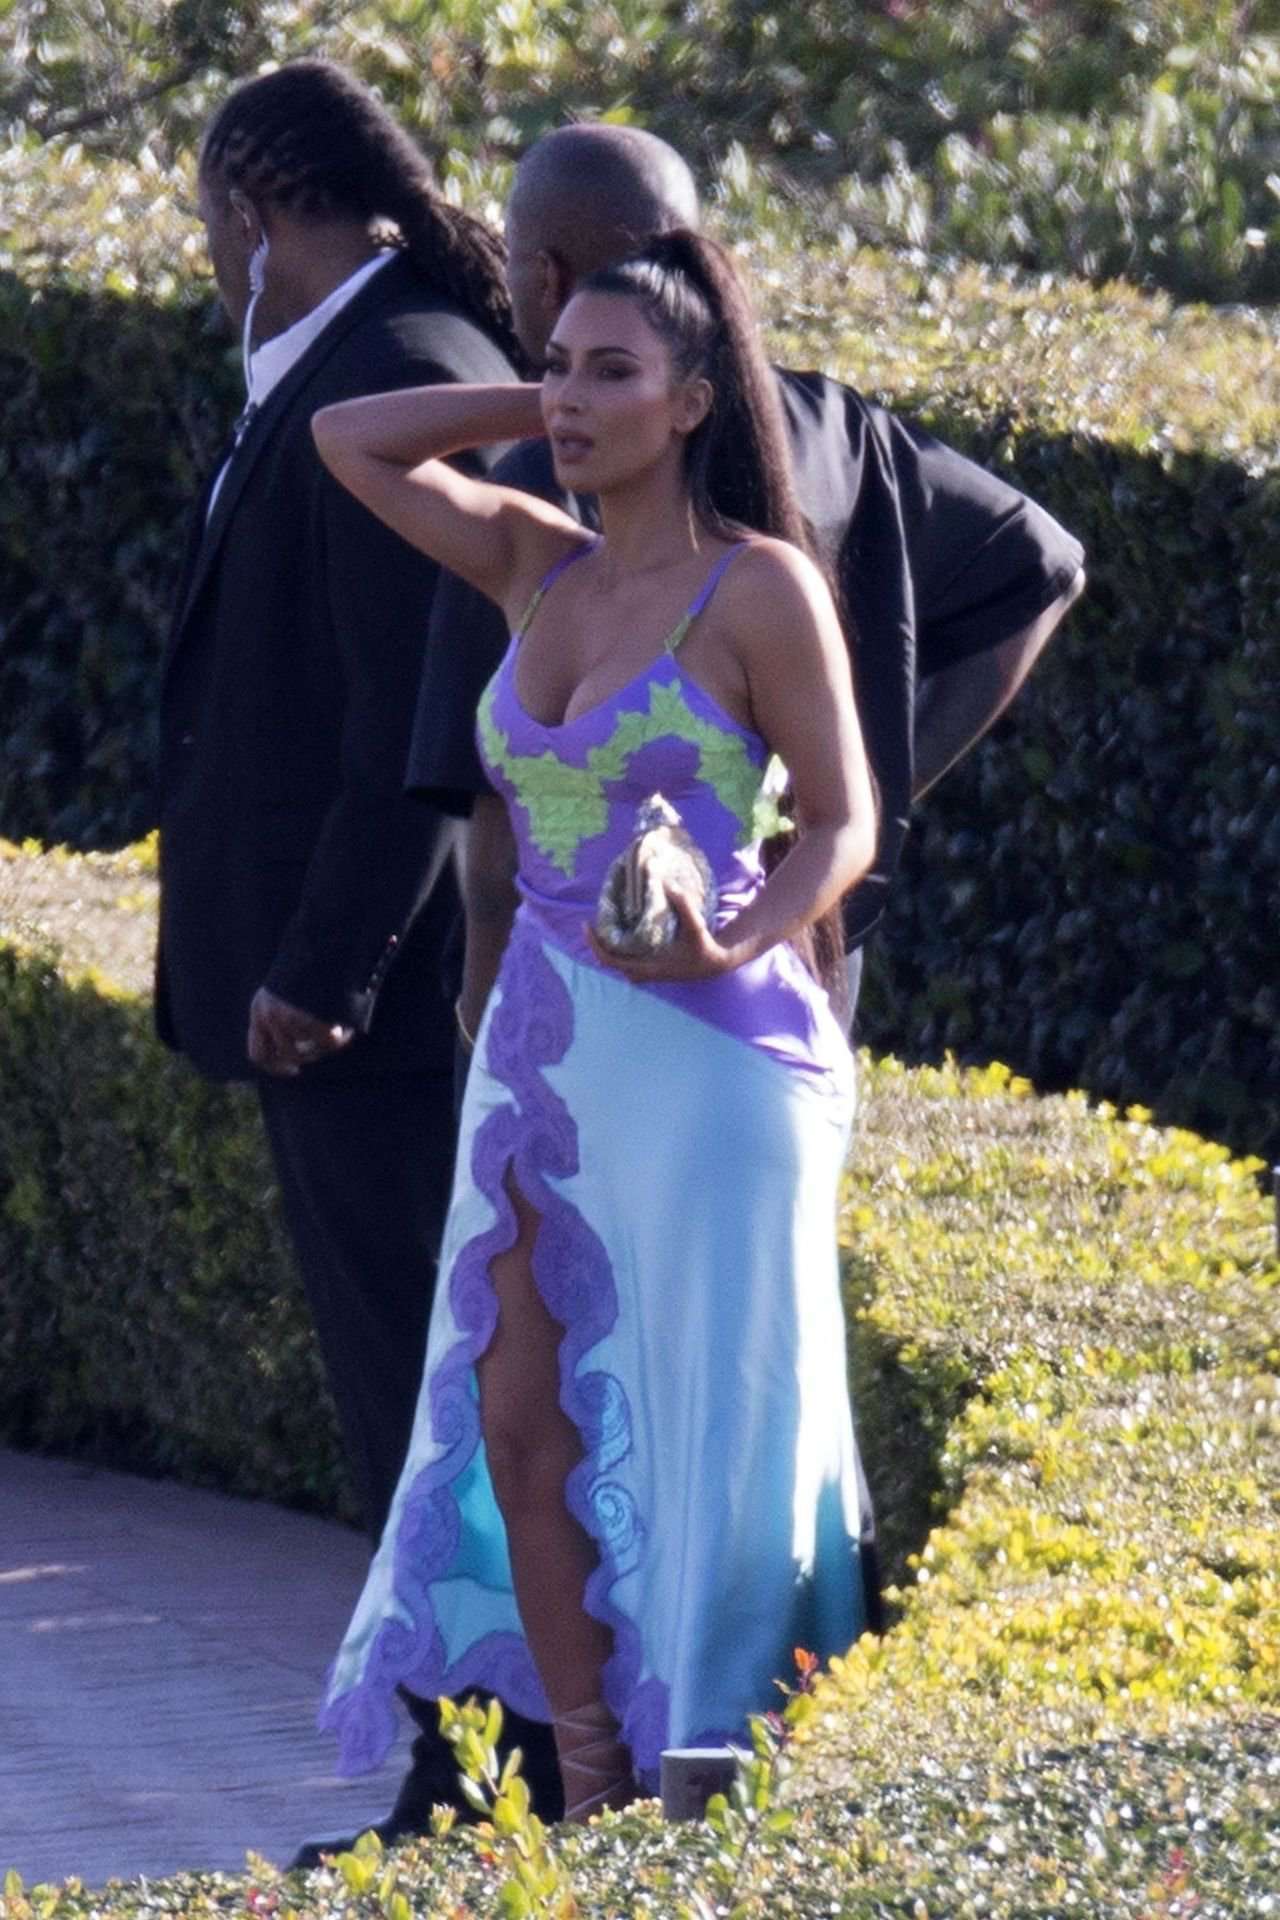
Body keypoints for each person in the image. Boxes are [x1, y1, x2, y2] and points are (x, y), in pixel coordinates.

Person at [310, 228, 879, 1822]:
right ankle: (589, 1780)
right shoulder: (532, 563)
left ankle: (711, 1781)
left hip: (714, 1060)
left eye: (611, 373)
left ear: (696, 401)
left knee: (709, 1429)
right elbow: (345, 438)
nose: (567, 398)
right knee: (512, 1417)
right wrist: (543, 396)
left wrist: (729, 937)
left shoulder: (758, 588)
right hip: (542, 1053)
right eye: (557, 367)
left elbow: (842, 823)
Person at [152, 58, 561, 1850]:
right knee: (404, 1388)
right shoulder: (357, 361)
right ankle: (467, 1764)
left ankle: (487, 1781)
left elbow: (428, 722)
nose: (203, 253)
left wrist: (326, 967)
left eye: (207, 217)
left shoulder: (399, 374)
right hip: (356, 1009)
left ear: (259, 207)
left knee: (428, 1396)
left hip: (376, 1019)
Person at [408, 123, 1087, 1031]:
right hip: (799, 942)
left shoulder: (556, 477)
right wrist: (871, 784)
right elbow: (1041, 563)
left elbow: (500, 830)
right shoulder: (837, 426)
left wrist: (480, 1009)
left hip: (595, 974)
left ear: (548, 277)